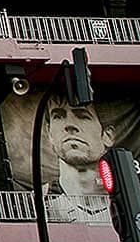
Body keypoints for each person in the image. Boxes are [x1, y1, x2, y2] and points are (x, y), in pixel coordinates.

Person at [43, 95, 114, 223]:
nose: (69, 125)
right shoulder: (36, 202)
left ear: (107, 135)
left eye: (82, 116)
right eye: (58, 116)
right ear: (49, 133)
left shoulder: (129, 201)